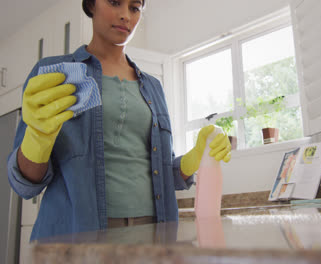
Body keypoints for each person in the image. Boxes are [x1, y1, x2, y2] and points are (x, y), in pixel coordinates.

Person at [7, 0, 231, 241]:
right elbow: (25, 185)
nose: (126, 15)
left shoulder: (154, 87)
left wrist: (194, 157)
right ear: (91, 4)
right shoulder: (55, 72)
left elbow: (163, 173)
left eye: (135, 8)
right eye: (115, 2)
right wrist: (37, 137)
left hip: (153, 234)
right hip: (74, 235)